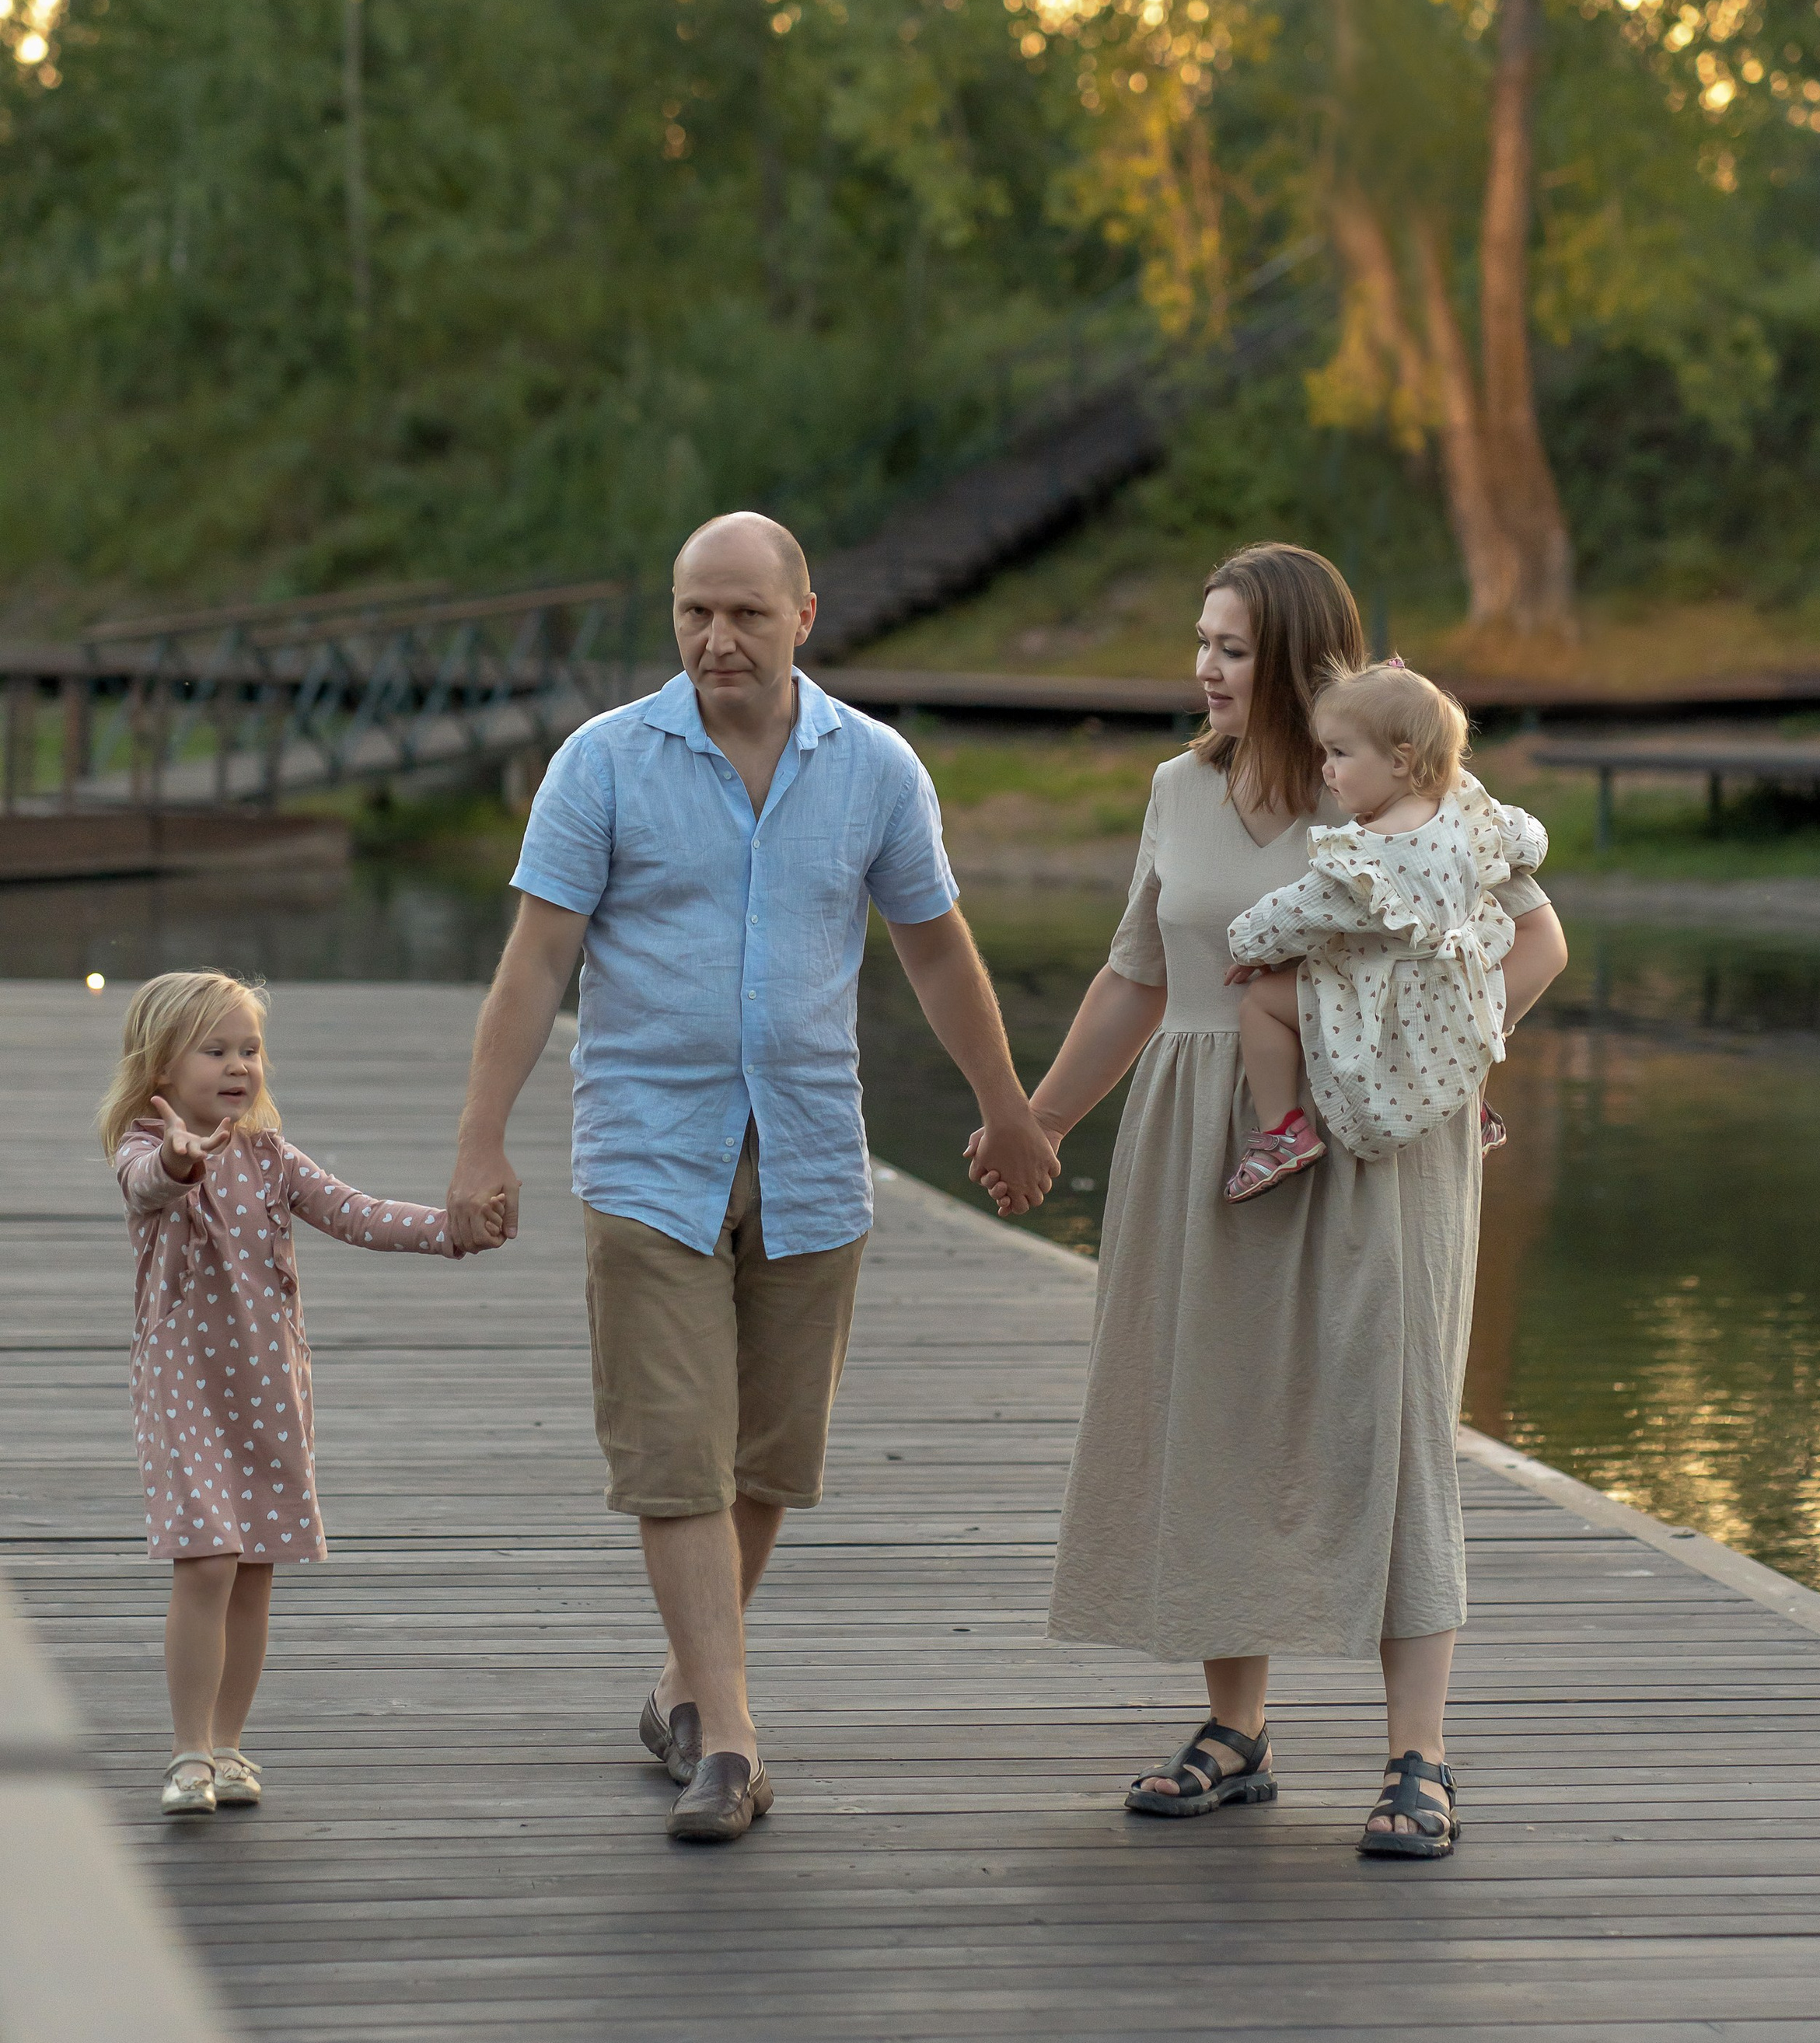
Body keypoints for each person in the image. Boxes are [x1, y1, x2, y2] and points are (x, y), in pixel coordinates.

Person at [445, 509, 1060, 1844]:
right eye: (692, 614)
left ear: (804, 616)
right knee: (677, 1452)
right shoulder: (604, 763)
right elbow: (536, 963)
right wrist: (481, 1139)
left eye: (742, 613)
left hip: (814, 1151)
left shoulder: (876, 771)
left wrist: (1006, 1107)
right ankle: (730, 1740)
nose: (716, 638)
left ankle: (682, 1685)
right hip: (646, 1154)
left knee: (771, 1458)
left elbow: (938, 952)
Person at [970, 543, 1567, 1860]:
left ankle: (1421, 1760)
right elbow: (1137, 973)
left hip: (1378, 1151)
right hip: (1202, 1133)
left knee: (1392, 1422)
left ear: (1297, 661)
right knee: (1217, 1413)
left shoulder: (1406, 790)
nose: (1204, 669)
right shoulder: (1177, 790)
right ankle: (1234, 1734)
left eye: (1232, 649)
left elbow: (1537, 941)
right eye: (1202, 643)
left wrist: (1442, 1062)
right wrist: (1041, 1117)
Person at [103, 970, 497, 1818]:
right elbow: (146, 1185)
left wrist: (450, 1232)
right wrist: (178, 1160)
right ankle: (187, 1753)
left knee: (252, 1571)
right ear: (162, 1069)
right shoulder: (145, 1147)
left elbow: (358, 1214)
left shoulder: (272, 1158)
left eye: (249, 1049)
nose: (239, 1065)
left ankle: (230, 1744)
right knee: (204, 1560)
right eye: (215, 1050)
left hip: (268, 1389)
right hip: (185, 1390)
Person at [1221, 660, 1549, 1198]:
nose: (1327, 768)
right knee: (1483, 978)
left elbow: (1292, 915)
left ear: (1401, 761)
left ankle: (1282, 1132)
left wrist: (1249, 946)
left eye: (1340, 753)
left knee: (1262, 1003)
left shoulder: (1364, 859)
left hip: (1390, 1000)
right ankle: (1471, 1106)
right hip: (1459, 987)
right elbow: (1528, 841)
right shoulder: (1467, 812)